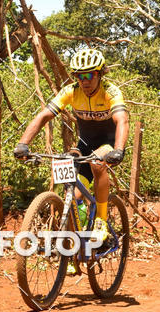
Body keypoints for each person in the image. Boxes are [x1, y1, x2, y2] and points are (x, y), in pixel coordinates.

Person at [14, 48, 129, 245]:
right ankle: (75, 248)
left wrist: (118, 149)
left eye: (89, 75)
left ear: (100, 73)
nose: (84, 80)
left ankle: (101, 220)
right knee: (73, 195)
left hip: (107, 143)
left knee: (97, 162)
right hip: (84, 144)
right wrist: (23, 144)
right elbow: (44, 116)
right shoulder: (71, 91)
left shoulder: (110, 91)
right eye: (79, 75)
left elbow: (122, 120)